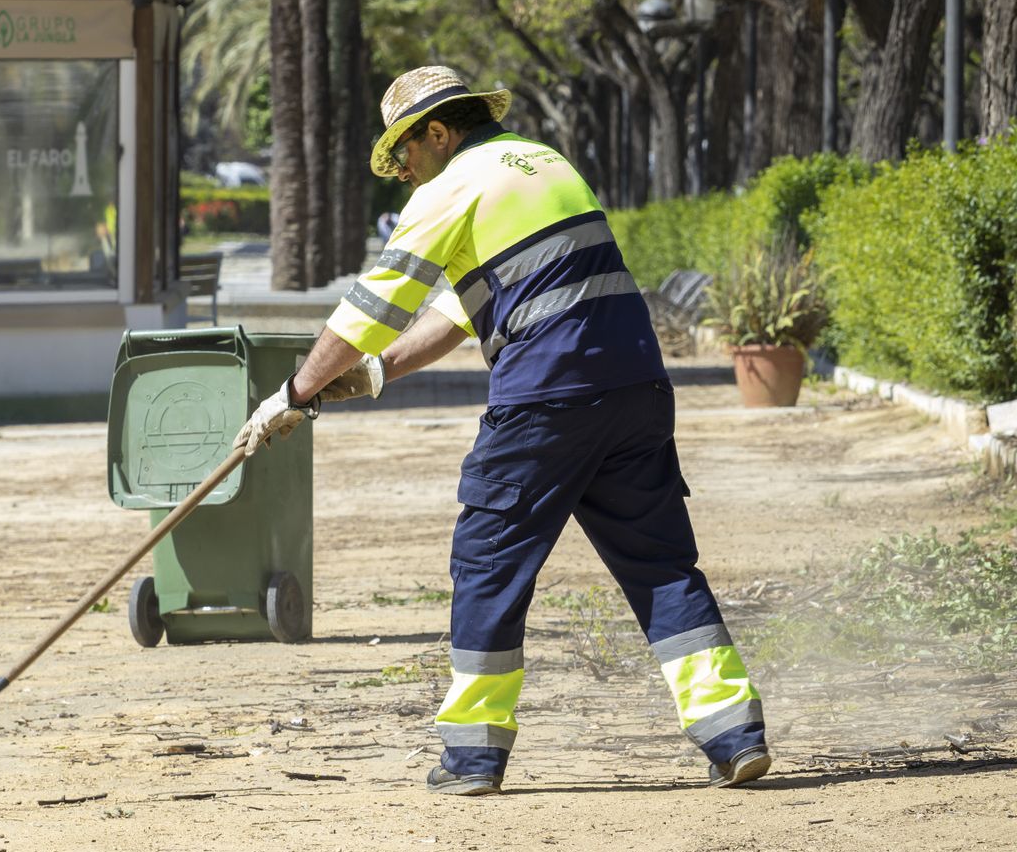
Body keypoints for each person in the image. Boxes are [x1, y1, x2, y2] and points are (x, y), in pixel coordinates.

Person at [234, 66, 770, 796]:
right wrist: (374, 375)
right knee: (662, 566)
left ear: (439, 132)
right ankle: (732, 734)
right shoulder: (542, 164)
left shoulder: (452, 185)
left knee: (488, 557)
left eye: (406, 155)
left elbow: (371, 307)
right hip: (637, 389)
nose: (404, 174)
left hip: (546, 396)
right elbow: (457, 316)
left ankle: (473, 755)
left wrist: (291, 394)